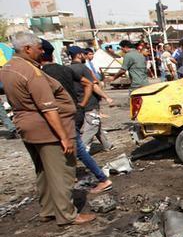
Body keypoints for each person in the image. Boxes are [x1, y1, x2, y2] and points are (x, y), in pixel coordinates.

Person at [0, 32, 95, 225]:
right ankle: (67, 214)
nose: (41, 51)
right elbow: (48, 108)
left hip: (27, 126)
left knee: (43, 171)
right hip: (46, 129)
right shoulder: (31, 72)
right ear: (27, 48)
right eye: (39, 48)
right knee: (62, 171)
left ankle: (48, 210)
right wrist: (64, 137)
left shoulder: (9, 68)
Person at [40, 41, 112, 194]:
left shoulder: (43, 73)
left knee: (76, 146)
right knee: (75, 145)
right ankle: (77, 176)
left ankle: (102, 179)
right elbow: (89, 84)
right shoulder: (65, 70)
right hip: (75, 111)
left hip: (62, 116)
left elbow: (91, 84)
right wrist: (81, 104)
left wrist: (83, 103)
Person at [68, 46, 113, 153]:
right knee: (92, 126)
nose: (86, 56)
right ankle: (80, 150)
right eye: (84, 54)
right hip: (89, 101)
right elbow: (93, 86)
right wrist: (106, 97)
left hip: (79, 100)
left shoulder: (69, 69)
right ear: (79, 55)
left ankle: (107, 145)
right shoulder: (83, 68)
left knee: (96, 124)